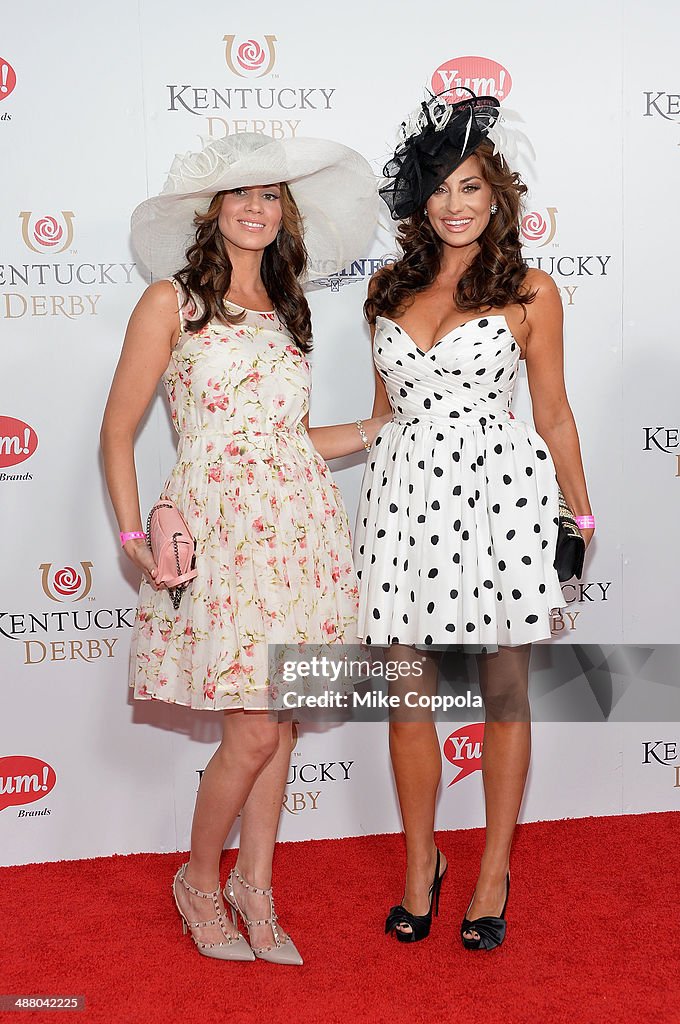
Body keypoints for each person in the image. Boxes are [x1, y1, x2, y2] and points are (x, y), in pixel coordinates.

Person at [101, 133, 386, 964]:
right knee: (253, 731)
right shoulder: (174, 302)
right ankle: (197, 880)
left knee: (281, 725)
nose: (257, 208)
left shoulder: (293, 310)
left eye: (271, 196)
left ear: (284, 212)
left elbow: (288, 439)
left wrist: (379, 427)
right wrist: (133, 535)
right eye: (242, 195)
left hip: (299, 527)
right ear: (214, 210)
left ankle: (255, 893)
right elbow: (118, 434)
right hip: (218, 533)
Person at [353, 90, 594, 949]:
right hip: (403, 499)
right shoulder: (386, 288)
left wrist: (580, 508)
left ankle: (492, 867)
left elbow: (554, 412)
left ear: (497, 195)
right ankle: (423, 863)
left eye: (470, 187)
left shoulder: (532, 290)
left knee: (502, 693)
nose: (454, 205)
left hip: (500, 500)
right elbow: (382, 413)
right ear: (418, 202)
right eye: (439, 189)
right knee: (406, 698)